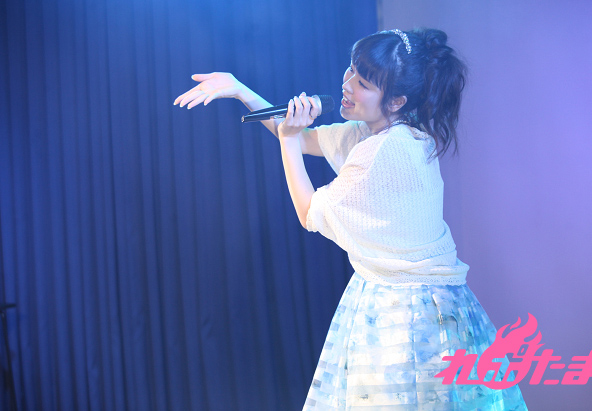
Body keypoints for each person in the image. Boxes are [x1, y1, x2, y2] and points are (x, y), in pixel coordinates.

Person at [174, 28, 528, 410]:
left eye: (362, 83)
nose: (346, 84)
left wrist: (289, 139)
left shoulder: (385, 153)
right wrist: (240, 90)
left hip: (407, 318)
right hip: (422, 303)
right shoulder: (395, 133)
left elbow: (308, 210)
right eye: (351, 70)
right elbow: (302, 138)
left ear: (396, 101)